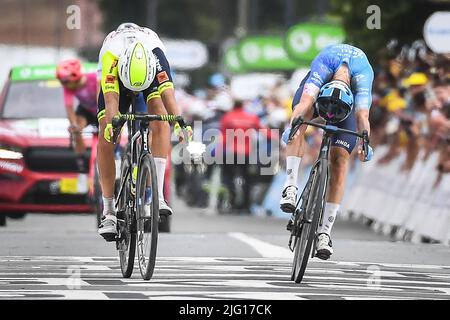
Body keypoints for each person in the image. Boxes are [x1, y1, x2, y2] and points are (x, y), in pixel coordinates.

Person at [96, 22, 190, 241]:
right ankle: (108, 210)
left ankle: (157, 195)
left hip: (147, 77)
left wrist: (181, 124)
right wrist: (112, 125)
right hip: (118, 80)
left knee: (161, 118)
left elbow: (169, 98)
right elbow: (111, 101)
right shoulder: (111, 54)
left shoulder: (157, 57)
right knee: (106, 134)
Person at [280, 44, 374, 260]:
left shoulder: (362, 76)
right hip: (316, 96)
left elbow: (362, 117)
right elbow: (304, 104)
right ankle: (290, 187)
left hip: (346, 107)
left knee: (340, 160)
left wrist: (365, 143)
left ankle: (325, 232)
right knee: (299, 126)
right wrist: (292, 126)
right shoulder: (324, 64)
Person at [56, 59, 99, 158]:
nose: (63, 85)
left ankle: (115, 151)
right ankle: (81, 157)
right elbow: (69, 107)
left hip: (100, 107)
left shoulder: (93, 78)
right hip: (86, 110)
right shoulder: (68, 88)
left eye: (65, 82)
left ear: (75, 77)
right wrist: (74, 125)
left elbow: (101, 98)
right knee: (76, 127)